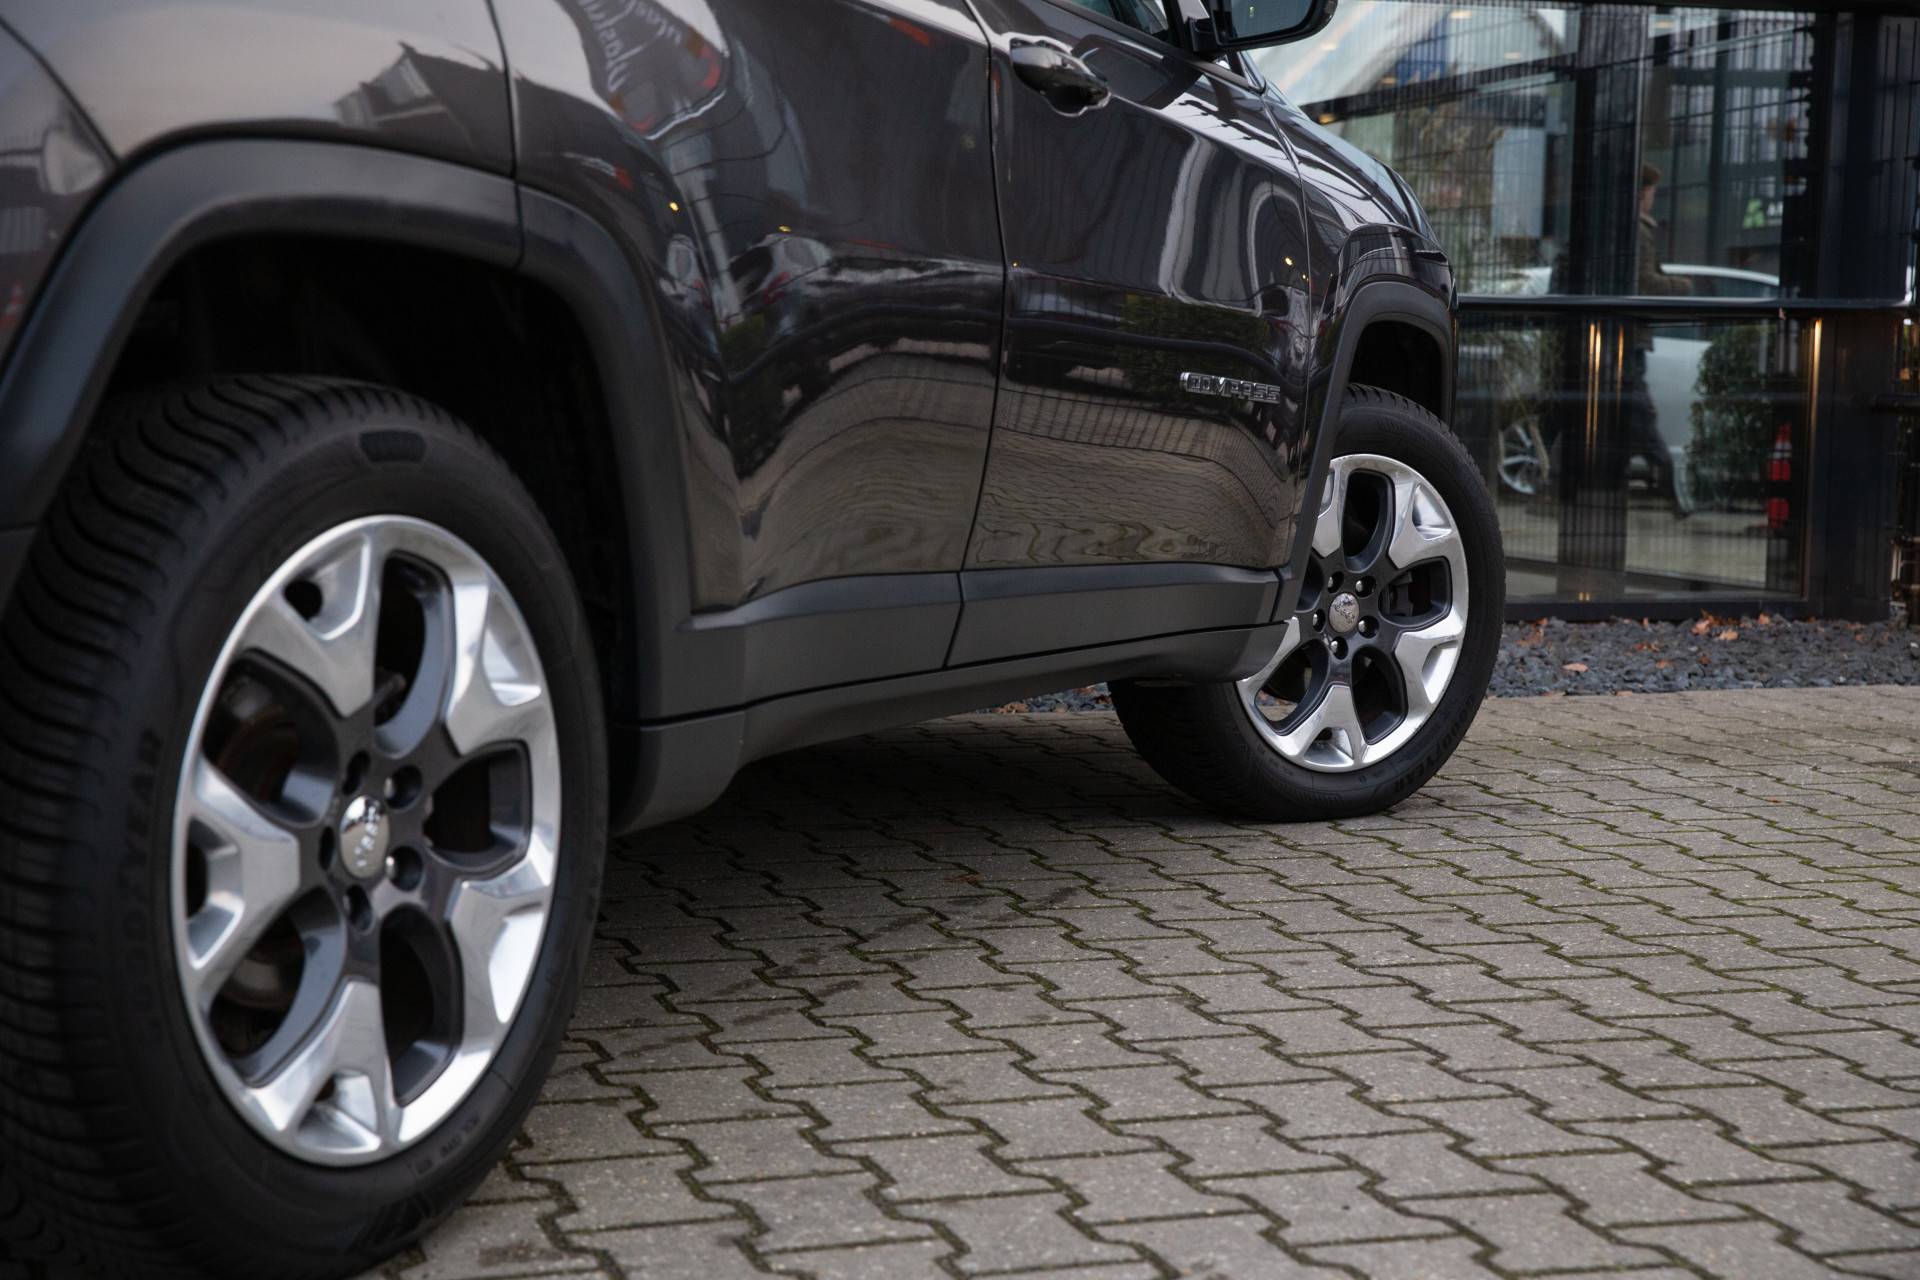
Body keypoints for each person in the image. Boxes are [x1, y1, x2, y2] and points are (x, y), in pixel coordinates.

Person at [1627, 162, 1691, 517]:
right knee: (1640, 414)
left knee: (1629, 416)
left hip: (1629, 337)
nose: (1653, 199)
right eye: (1652, 192)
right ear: (1642, 193)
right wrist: (1683, 286)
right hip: (1631, 339)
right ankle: (1671, 489)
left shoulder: (1633, 230)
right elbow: (1644, 282)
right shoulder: (1639, 232)